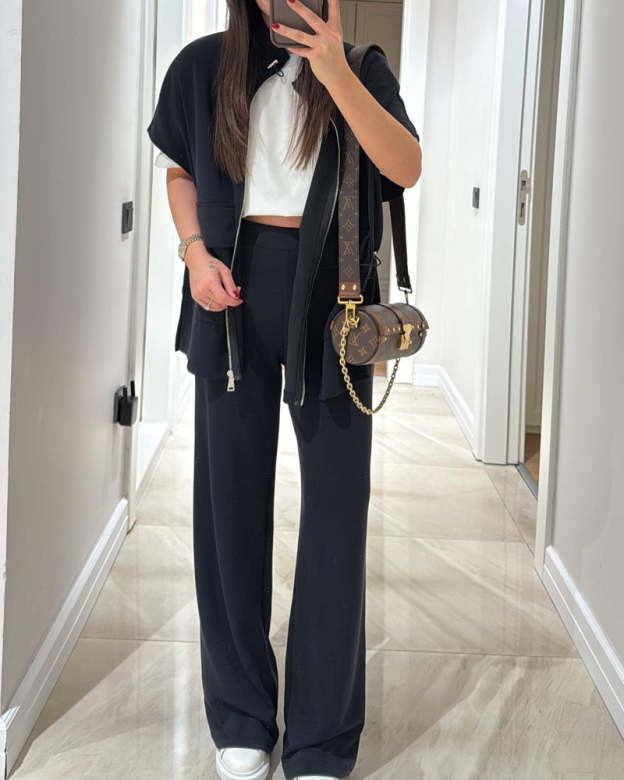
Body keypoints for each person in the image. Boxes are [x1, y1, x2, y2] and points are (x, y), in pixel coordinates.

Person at [147, 0, 421, 777]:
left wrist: (333, 69)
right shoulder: (204, 66)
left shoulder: (361, 68)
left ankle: (321, 737)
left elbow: (404, 168)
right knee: (228, 505)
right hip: (230, 287)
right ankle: (240, 713)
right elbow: (179, 172)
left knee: (336, 510)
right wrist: (193, 254)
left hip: (335, 295)